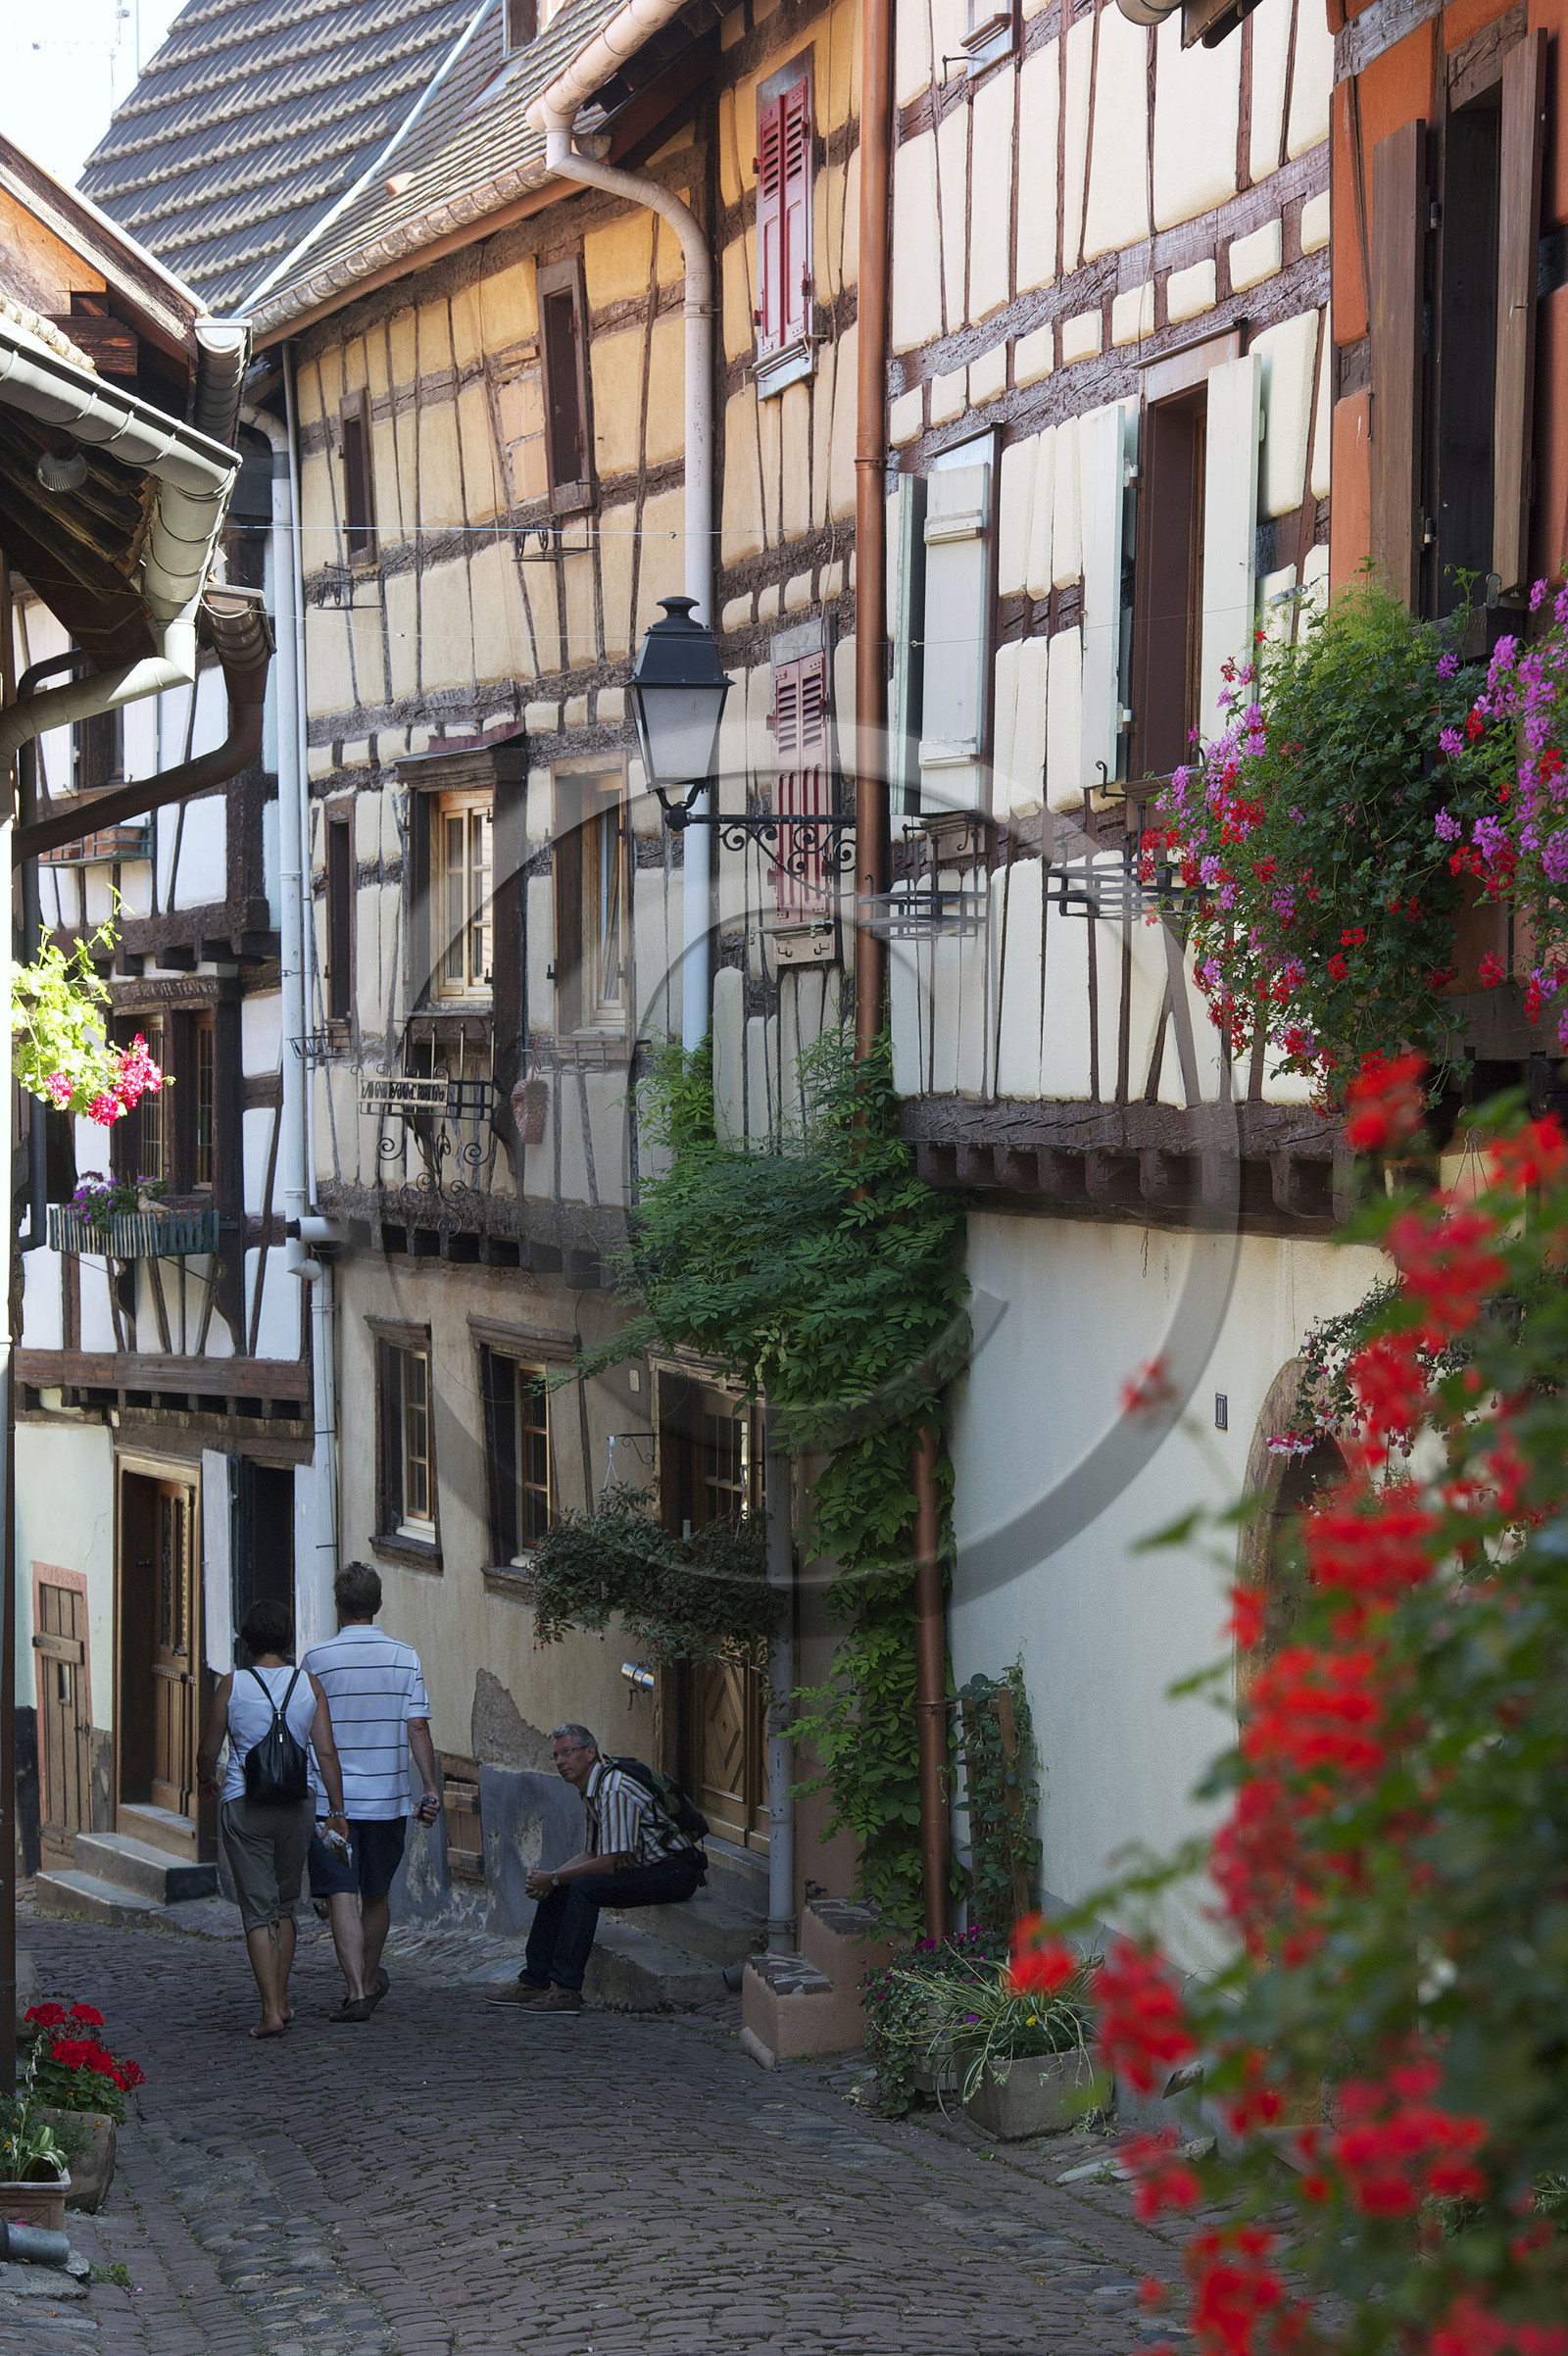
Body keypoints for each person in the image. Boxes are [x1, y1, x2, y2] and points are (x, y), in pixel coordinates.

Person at [196, 1598, 350, 2039]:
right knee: (284, 1904)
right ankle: (281, 2000)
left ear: (246, 1639)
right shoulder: (310, 1685)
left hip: (245, 1804)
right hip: (297, 1805)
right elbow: (326, 1753)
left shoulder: (232, 1685)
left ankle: (270, 2011)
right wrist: (336, 1812)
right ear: (287, 1639)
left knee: (258, 1908)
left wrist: (205, 1778)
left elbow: (210, 1749)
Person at [302, 1560, 441, 2024]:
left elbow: (308, 1733)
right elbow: (417, 1727)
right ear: (378, 1604)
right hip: (386, 1804)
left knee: (342, 1891)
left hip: (331, 1806)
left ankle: (356, 1989)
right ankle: (370, 1971)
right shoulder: (405, 1657)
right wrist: (429, 1786)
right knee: (376, 1894)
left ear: (338, 1605)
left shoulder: (316, 1661)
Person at [492, 1723, 704, 2012]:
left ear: (590, 1752)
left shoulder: (613, 1789)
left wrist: (552, 1878)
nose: (560, 1762)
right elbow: (591, 1852)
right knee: (563, 1886)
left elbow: (605, 1865)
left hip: (674, 1872)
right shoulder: (593, 1789)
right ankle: (533, 1981)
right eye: (556, 1756)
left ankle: (567, 1990)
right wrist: (552, 1880)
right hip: (646, 1868)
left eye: (568, 1752)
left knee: (583, 1888)